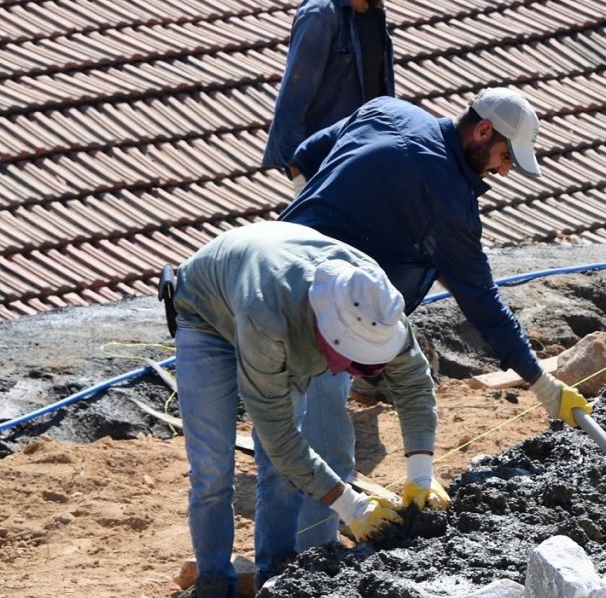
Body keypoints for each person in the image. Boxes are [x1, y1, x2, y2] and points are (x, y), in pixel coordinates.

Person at [279, 87, 593, 435]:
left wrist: (320, 222)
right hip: (328, 315)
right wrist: (543, 384)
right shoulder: (449, 204)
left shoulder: (389, 110)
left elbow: (303, 157)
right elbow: (484, 306)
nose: (504, 172)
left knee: (267, 414)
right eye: (506, 157)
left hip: (274, 263)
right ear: (484, 130)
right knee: (322, 442)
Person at [167, 220, 450, 598]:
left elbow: (414, 383)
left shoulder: (372, 298)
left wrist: (420, 474)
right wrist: (352, 507)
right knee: (212, 471)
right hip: (205, 315)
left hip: (275, 294)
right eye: (354, 362)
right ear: (328, 335)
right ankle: (214, 581)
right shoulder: (269, 318)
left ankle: (278, 576)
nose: (355, 373)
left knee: (283, 474)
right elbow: (278, 434)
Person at [261, 0, 431, 180]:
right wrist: (300, 179)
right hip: (324, 170)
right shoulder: (320, 13)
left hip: (363, 163)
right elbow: (291, 105)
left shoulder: (376, 10)